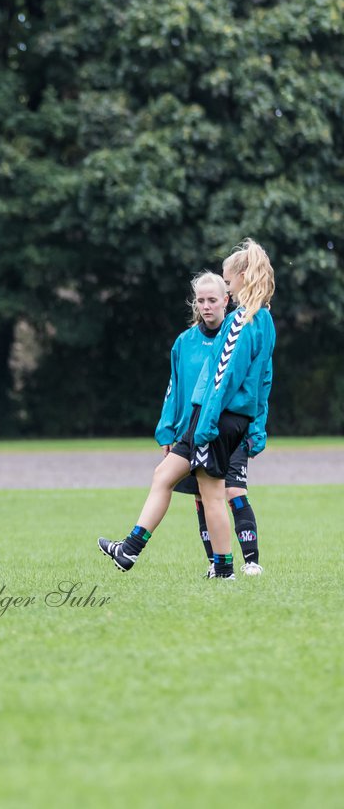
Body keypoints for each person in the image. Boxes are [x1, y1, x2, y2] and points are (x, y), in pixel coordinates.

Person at [100, 238, 276, 579]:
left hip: (214, 419)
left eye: (227, 281)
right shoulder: (264, 319)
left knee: (212, 494)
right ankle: (129, 550)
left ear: (240, 278)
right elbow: (264, 379)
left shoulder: (243, 319)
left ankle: (223, 569)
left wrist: (207, 425)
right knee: (163, 475)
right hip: (214, 418)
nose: (227, 285)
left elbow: (223, 378)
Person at [155, 272, 265, 576]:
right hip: (195, 429)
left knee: (233, 491)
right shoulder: (184, 342)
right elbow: (173, 388)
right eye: (200, 301)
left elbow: (256, 381)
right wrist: (167, 429)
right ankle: (216, 564)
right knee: (203, 495)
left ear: (226, 301)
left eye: (212, 300)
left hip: (229, 429)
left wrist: (256, 427)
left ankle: (252, 561)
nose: (206, 306)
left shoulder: (239, 333)